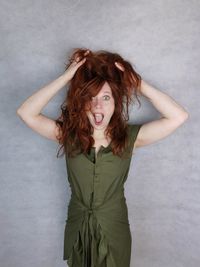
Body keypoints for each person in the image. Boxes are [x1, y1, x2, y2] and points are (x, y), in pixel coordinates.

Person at [16, 48, 189, 267]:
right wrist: (67, 77)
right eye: (91, 97)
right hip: (78, 227)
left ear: (115, 104)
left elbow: (178, 116)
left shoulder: (129, 138)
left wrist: (137, 83)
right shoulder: (69, 136)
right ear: (82, 103)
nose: (98, 105)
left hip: (114, 227)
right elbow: (26, 112)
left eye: (106, 98)